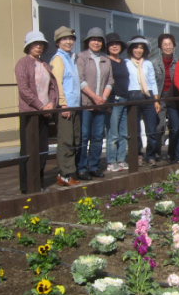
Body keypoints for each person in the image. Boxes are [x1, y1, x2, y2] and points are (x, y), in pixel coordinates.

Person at [15, 30, 59, 193]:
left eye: (41, 44)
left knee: (42, 150)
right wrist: (40, 106)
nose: (38, 46)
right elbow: (24, 89)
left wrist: (50, 104)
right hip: (30, 112)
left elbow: (53, 87)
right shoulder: (22, 63)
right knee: (28, 150)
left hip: (45, 113)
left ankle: (39, 182)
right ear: (28, 46)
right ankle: (27, 186)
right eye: (35, 43)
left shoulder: (45, 64)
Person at [76, 27, 113, 180]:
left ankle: (94, 166)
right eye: (93, 39)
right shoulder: (81, 57)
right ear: (88, 42)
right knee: (84, 136)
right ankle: (81, 168)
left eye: (99, 40)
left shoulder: (106, 59)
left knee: (97, 137)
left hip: (101, 104)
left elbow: (110, 80)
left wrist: (102, 99)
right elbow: (80, 79)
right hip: (86, 104)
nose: (96, 42)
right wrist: (94, 97)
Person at [49, 26, 81, 187]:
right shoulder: (58, 59)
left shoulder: (70, 58)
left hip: (75, 106)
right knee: (66, 140)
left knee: (75, 139)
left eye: (70, 39)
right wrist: (63, 104)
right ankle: (65, 174)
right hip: (66, 107)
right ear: (58, 42)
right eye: (64, 39)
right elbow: (57, 85)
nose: (68, 42)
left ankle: (69, 173)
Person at [125, 36, 160, 166]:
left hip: (148, 97)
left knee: (151, 129)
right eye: (136, 47)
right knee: (135, 131)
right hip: (132, 96)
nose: (138, 50)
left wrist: (156, 100)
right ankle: (138, 155)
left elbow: (153, 82)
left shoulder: (148, 63)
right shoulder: (126, 63)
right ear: (131, 49)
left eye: (141, 48)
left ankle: (150, 155)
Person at [151, 33, 178, 162]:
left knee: (174, 126)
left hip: (174, 99)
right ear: (160, 47)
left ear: (174, 45)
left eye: (170, 44)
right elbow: (151, 82)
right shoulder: (154, 63)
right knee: (158, 127)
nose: (168, 47)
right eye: (165, 44)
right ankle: (156, 154)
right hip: (160, 99)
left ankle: (172, 154)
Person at [105, 32, 129, 173]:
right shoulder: (106, 61)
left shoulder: (124, 62)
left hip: (125, 99)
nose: (115, 46)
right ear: (107, 47)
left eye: (117, 44)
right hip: (114, 100)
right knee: (113, 133)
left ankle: (121, 159)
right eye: (111, 44)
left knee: (123, 133)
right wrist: (107, 101)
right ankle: (111, 161)